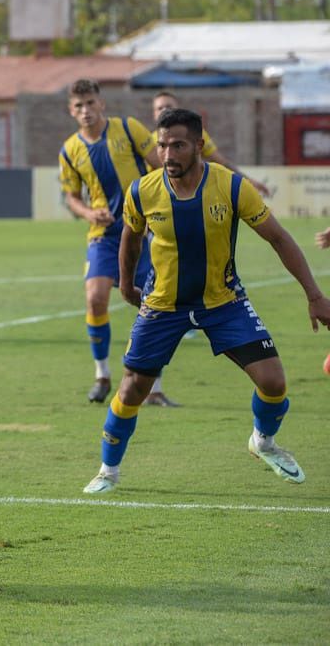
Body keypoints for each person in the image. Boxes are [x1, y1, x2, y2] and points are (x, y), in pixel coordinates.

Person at [82, 108, 330, 494]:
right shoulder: (143, 191)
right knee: (132, 389)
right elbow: (131, 236)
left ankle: (262, 442)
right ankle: (107, 471)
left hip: (224, 302)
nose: (167, 154)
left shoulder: (231, 187)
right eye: (162, 146)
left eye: (177, 145)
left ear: (199, 145)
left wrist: (314, 295)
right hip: (164, 305)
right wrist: (127, 284)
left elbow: (279, 238)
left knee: (274, 382)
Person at [59, 79, 178, 407]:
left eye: (90, 103)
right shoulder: (70, 150)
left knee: (153, 306)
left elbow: (162, 167)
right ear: (71, 111)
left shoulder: (129, 130)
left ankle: (153, 388)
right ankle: (102, 375)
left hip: (142, 234)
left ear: (102, 104)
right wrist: (88, 212)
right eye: (79, 106)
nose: (86, 110)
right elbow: (70, 197)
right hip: (104, 238)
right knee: (95, 299)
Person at [151, 91, 271, 198]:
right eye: (160, 108)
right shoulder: (147, 141)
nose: (165, 110)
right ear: (154, 114)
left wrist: (249, 181)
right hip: (159, 197)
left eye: (169, 106)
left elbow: (221, 162)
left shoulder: (195, 135)